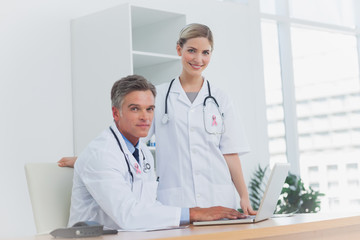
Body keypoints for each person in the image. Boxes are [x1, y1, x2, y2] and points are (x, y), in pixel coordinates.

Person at [60, 23, 256, 215]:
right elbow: (130, 139)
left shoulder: (221, 99)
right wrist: (85, 159)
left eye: (206, 52)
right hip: (177, 200)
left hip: (218, 197)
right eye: (192, 50)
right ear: (179, 49)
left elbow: (230, 153)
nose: (198, 59)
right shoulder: (158, 95)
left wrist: (244, 196)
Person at [68, 75, 245, 230]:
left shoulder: (143, 152)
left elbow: (148, 207)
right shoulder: (101, 154)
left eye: (150, 109)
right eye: (135, 109)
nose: (145, 117)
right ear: (116, 113)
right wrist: (195, 213)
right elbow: (128, 215)